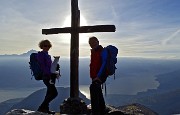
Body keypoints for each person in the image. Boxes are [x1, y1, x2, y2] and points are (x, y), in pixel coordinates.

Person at [37, 39, 58, 114]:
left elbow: (49, 67)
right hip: (47, 77)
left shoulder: (48, 55)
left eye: (48, 46)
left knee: (49, 93)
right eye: (45, 45)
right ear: (41, 46)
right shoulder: (40, 55)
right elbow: (43, 66)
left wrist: (55, 67)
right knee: (54, 93)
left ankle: (46, 109)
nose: (47, 47)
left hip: (51, 76)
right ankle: (41, 107)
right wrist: (49, 74)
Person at [89, 36, 108, 115]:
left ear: (98, 42)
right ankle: (102, 110)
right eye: (90, 43)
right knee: (98, 91)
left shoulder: (102, 51)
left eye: (94, 42)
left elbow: (104, 64)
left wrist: (98, 76)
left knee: (93, 89)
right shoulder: (93, 51)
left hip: (99, 76)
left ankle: (96, 112)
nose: (92, 44)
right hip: (95, 76)